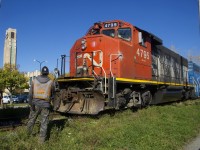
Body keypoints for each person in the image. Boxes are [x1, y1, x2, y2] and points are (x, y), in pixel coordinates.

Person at [27, 66, 55, 143]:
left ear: (41, 72)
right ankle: (41, 141)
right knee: (44, 123)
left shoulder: (34, 81)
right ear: (48, 73)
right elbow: (53, 95)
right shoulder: (51, 82)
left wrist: (30, 104)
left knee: (31, 120)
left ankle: (27, 135)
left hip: (35, 104)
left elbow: (30, 94)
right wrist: (53, 105)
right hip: (45, 105)